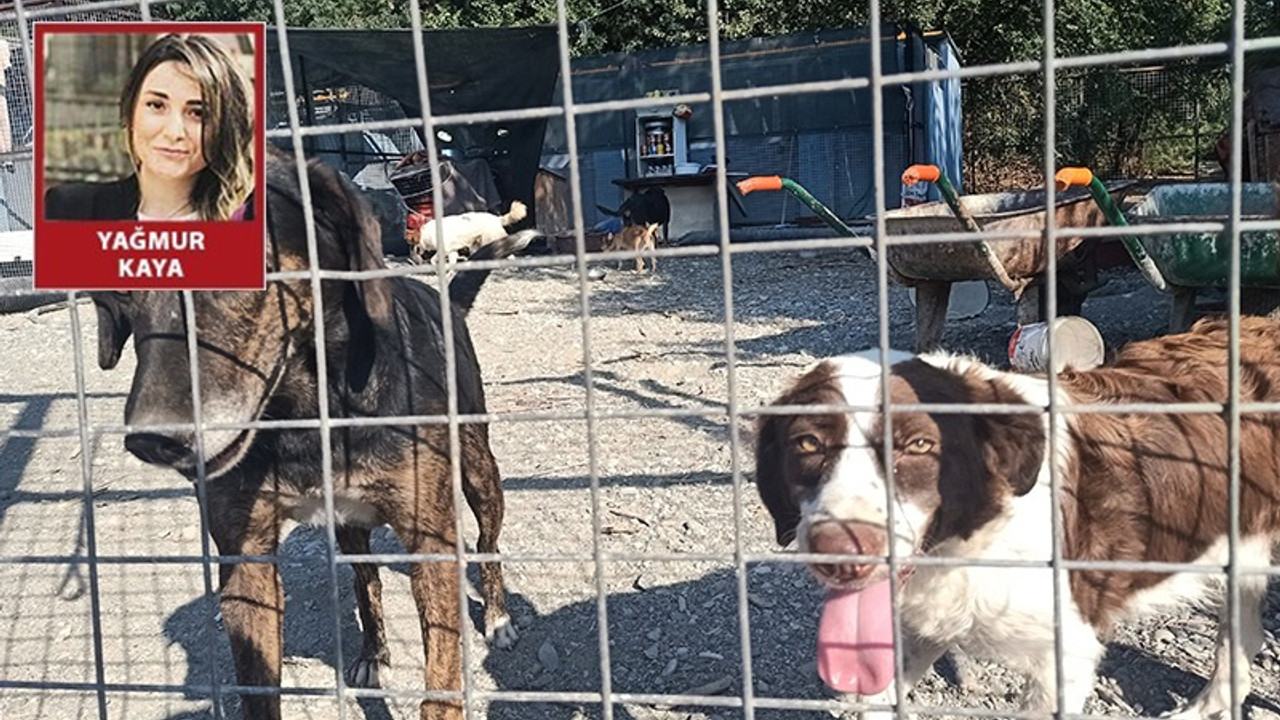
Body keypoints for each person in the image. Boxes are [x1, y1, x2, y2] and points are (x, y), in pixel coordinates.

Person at [45, 33, 254, 221]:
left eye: (198, 113)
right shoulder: (69, 210)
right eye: (156, 105)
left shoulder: (253, 224)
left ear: (225, 126)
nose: (174, 132)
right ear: (131, 111)